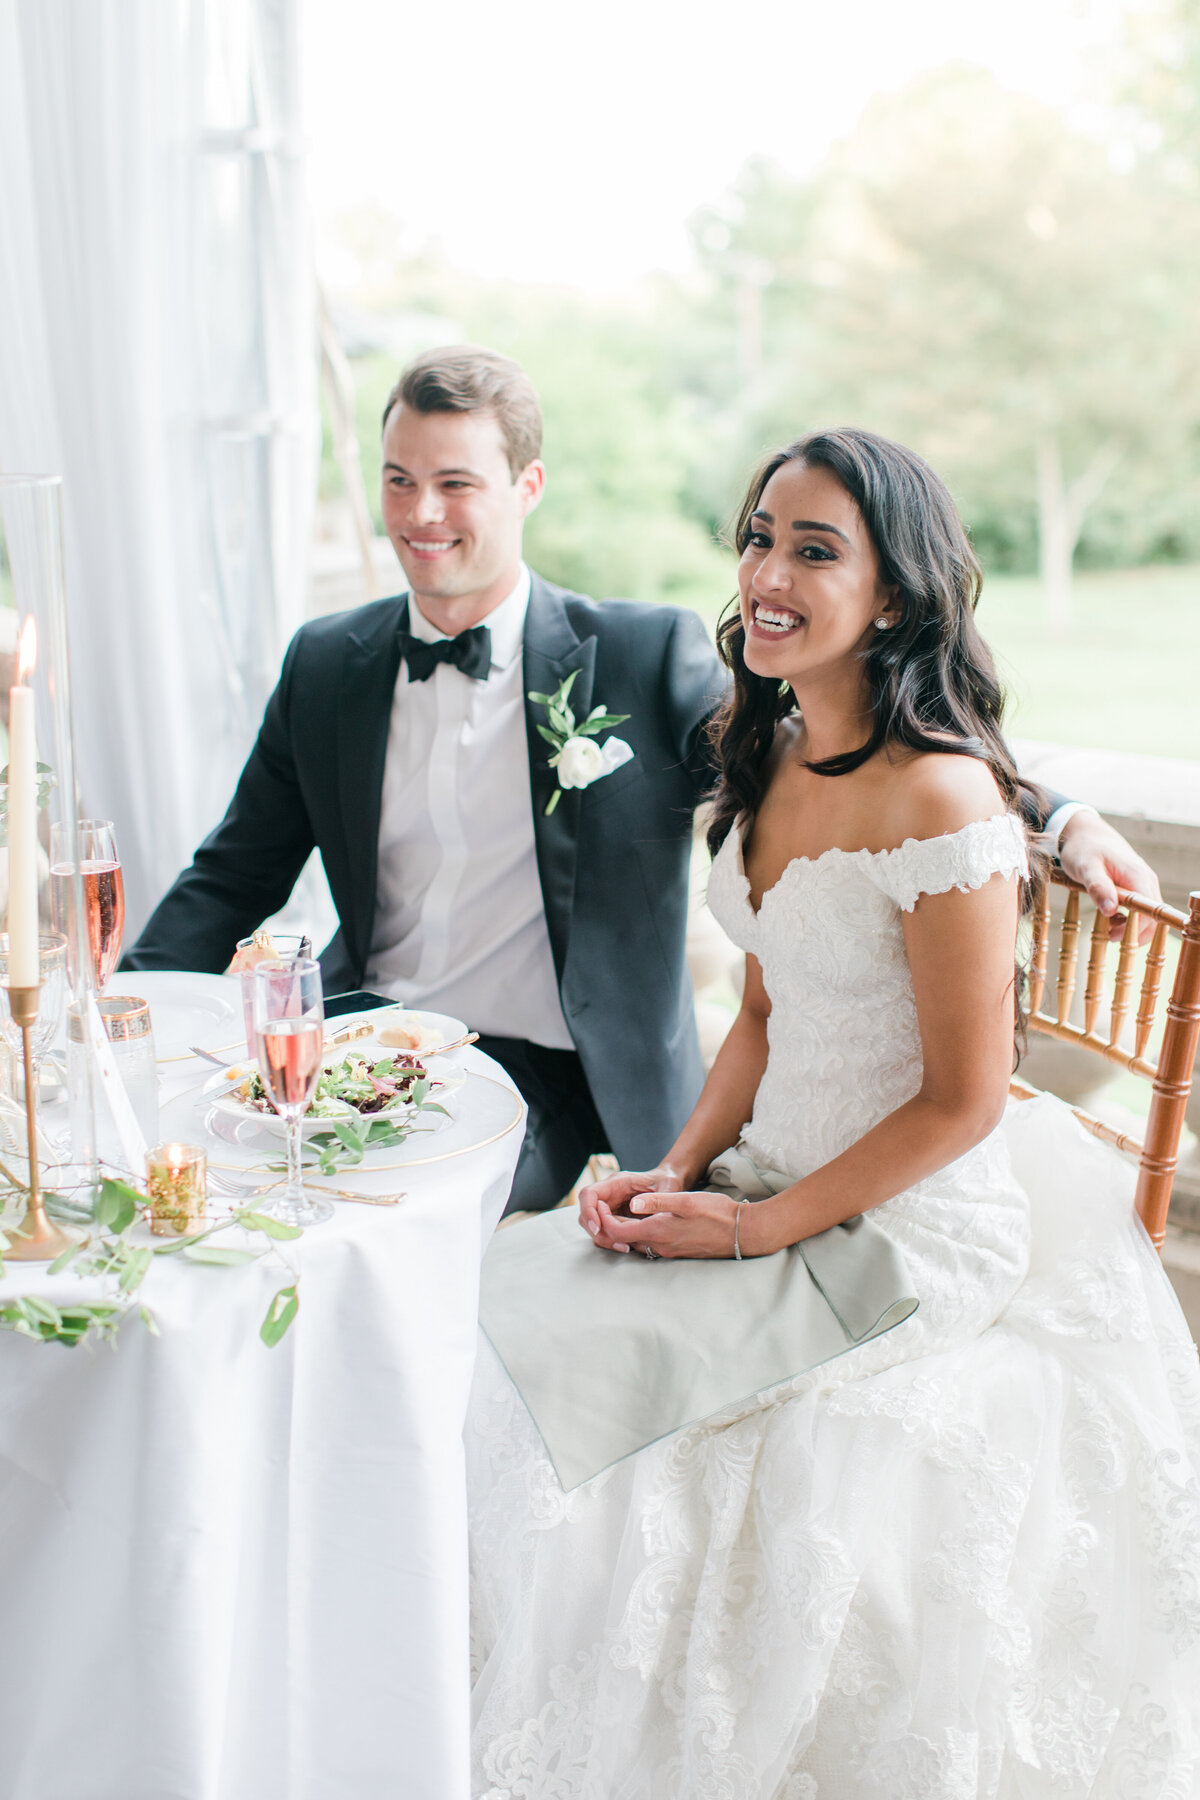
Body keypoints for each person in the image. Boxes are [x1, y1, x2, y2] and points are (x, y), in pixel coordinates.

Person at [466, 429, 1200, 1796]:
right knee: (504, 1301)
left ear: (901, 596)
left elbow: (965, 1100)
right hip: (766, 1169)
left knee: (625, 1430)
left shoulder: (942, 796)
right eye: (758, 536)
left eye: (815, 549)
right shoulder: (768, 739)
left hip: (908, 1222)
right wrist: (672, 1167)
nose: (768, 573)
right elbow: (758, 1015)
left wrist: (752, 1235)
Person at [126, 346, 1157, 1214]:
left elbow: (871, 751)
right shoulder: (325, 663)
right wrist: (117, 1006)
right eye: (399, 479)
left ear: (526, 488)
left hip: (549, 1074)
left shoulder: (637, 656)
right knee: (198, 1174)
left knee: (373, 1212)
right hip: (362, 1033)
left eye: (456, 483)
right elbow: (233, 873)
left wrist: (1061, 817)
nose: (421, 512)